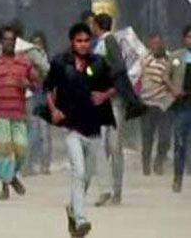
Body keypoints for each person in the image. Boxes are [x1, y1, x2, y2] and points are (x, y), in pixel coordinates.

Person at [44, 23, 117, 238]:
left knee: (86, 178)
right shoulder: (60, 63)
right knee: (79, 172)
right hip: (72, 129)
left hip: (94, 130)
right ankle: (81, 219)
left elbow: (115, 85)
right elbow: (48, 88)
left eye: (86, 40)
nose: (83, 44)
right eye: (79, 41)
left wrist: (104, 96)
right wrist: (54, 110)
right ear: (72, 42)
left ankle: (72, 209)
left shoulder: (99, 63)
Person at [0, 25, 40, 200]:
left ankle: (11, 177)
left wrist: (28, 85)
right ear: (0, 42)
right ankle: (5, 186)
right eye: (5, 40)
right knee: (4, 152)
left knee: (21, 149)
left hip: (19, 112)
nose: (9, 43)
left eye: (12, 40)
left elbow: (37, 84)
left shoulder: (25, 63)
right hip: (0, 113)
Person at [91, 13, 145, 206]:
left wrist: (105, 91)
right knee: (105, 147)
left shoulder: (109, 42)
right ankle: (108, 190)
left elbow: (119, 70)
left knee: (113, 147)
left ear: (97, 25)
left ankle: (115, 190)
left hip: (113, 102)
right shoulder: (101, 44)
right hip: (104, 103)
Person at [139, 33, 176, 176]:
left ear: (162, 44)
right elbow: (136, 75)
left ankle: (159, 161)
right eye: (153, 43)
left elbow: (177, 75)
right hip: (147, 104)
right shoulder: (144, 58)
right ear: (149, 44)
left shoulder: (170, 58)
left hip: (164, 104)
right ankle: (146, 165)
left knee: (165, 138)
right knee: (147, 138)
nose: (156, 46)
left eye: (158, 43)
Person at [24, 32, 53, 176]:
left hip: (43, 98)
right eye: (35, 43)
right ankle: (29, 164)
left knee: (44, 134)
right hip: (33, 98)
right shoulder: (29, 60)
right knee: (34, 133)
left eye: (39, 43)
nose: (37, 46)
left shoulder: (43, 60)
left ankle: (44, 164)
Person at [170, 25, 191, 193]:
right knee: (180, 143)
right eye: (189, 37)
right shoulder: (176, 56)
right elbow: (165, 75)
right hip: (182, 105)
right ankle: (177, 178)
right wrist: (173, 89)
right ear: (184, 39)